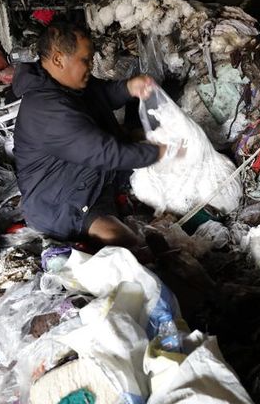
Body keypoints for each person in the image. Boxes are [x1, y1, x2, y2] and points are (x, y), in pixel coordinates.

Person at [12, 22, 169, 248]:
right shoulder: (46, 108)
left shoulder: (64, 84)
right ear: (58, 59)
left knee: (141, 143)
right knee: (128, 242)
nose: (91, 66)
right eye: (85, 60)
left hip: (87, 179)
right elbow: (105, 154)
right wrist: (161, 152)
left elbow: (100, 94)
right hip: (58, 202)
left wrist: (129, 88)